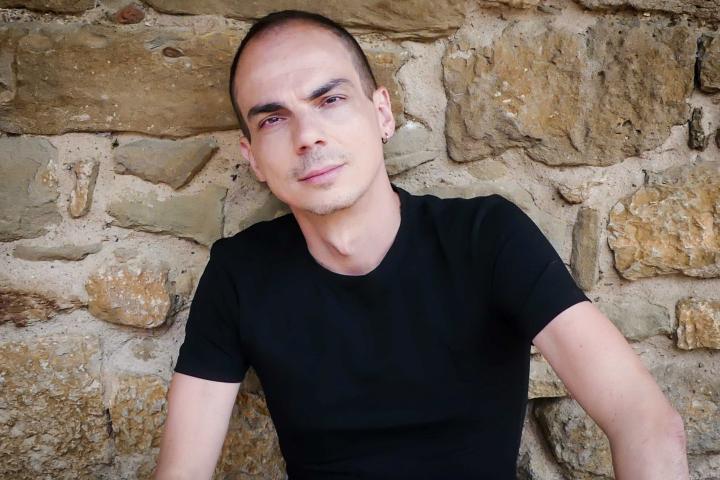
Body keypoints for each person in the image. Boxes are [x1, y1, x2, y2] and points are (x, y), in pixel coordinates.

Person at [155, 10, 688, 480]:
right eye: (274, 118)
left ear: (382, 113)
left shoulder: (486, 237)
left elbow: (644, 420)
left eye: (330, 99)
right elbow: (181, 471)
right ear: (252, 157)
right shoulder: (240, 273)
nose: (307, 136)